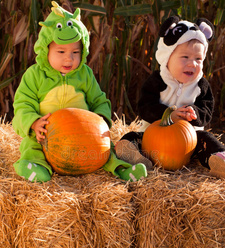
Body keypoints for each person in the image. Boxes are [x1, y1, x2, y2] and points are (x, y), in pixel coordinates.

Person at [12, 1, 147, 183]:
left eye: (75, 52)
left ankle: (122, 169)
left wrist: (101, 121)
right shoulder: (34, 75)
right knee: (31, 147)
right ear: (46, 50)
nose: (69, 58)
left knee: (106, 150)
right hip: (45, 137)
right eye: (61, 51)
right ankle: (35, 167)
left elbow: (99, 100)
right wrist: (33, 123)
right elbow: (22, 104)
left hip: (84, 135)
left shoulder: (85, 74)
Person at [115, 16, 225, 178]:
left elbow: (207, 109)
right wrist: (168, 114)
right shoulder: (157, 80)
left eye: (198, 59)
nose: (192, 64)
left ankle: (217, 159)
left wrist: (195, 114)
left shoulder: (201, 85)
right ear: (167, 58)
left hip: (189, 142)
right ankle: (134, 155)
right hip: (153, 137)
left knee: (206, 139)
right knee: (134, 137)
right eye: (185, 57)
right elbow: (145, 106)